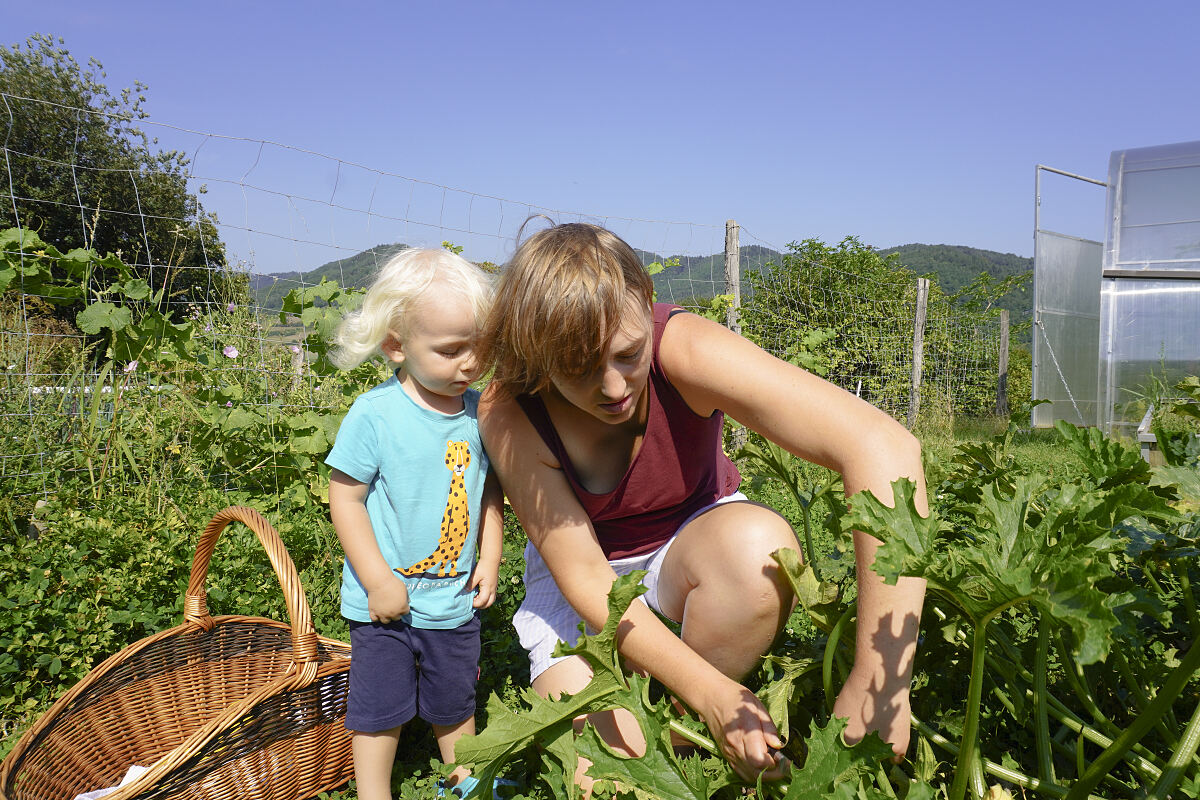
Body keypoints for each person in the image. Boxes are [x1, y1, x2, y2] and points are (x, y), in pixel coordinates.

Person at [476, 223, 929, 786]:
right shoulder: (511, 410)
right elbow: (589, 580)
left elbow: (883, 447)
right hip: (586, 585)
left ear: (646, 303)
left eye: (627, 354)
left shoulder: (684, 349)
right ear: (537, 355)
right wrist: (716, 695)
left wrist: (879, 680)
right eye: (577, 370)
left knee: (758, 551)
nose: (614, 388)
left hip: (695, 544)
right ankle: (689, 712)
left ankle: (684, 723)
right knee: (612, 781)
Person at [326, 248, 505, 800]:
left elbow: (490, 489)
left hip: (452, 601)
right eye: (451, 351)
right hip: (383, 607)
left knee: (455, 705)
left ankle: (465, 784)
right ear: (396, 346)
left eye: (481, 347)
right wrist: (378, 579)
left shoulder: (481, 413)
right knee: (378, 710)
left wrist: (491, 555)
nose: (470, 364)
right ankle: (373, 793)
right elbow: (345, 498)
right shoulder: (376, 414)